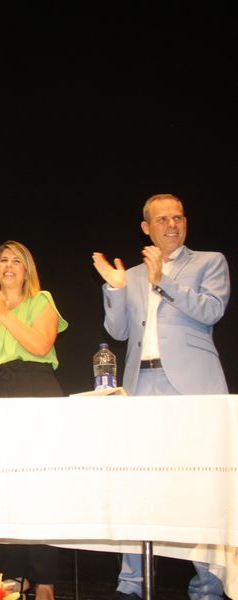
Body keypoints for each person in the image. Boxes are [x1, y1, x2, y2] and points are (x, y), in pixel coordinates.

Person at [92, 193, 230, 600]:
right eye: (163, 219)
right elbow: (118, 331)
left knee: (200, 486)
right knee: (138, 480)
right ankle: (131, 584)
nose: (172, 225)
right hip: (141, 385)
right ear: (146, 227)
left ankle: (208, 586)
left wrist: (163, 281)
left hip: (193, 386)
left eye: (178, 218)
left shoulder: (209, 262)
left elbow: (212, 310)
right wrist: (116, 287)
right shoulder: (133, 273)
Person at [0, 240, 68, 600]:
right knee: (3, 486)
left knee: (40, 485)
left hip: (36, 386)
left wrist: (5, 315)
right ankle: (14, 574)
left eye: (16, 261)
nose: (8, 265)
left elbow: (40, 345)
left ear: (27, 270)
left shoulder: (41, 301)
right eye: (2, 260)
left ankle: (45, 578)